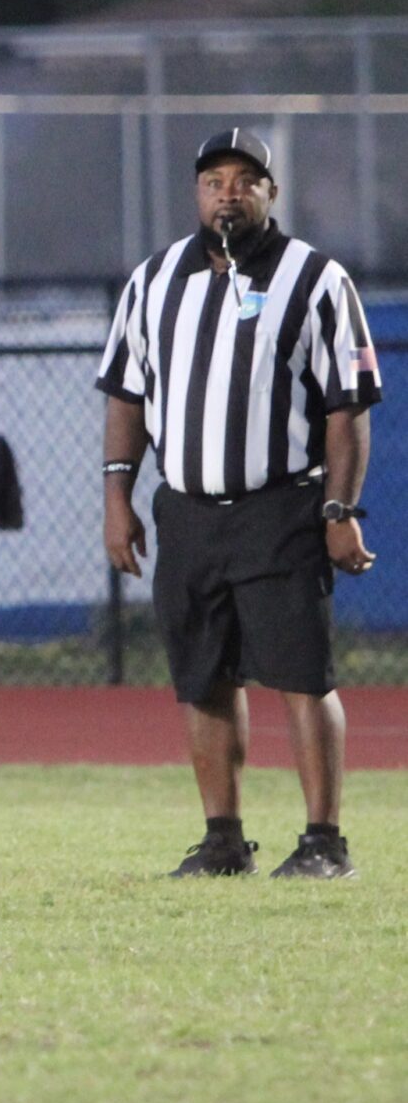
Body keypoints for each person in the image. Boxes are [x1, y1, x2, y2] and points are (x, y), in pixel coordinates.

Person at [98, 127, 383, 879]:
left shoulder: (317, 279)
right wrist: (117, 495)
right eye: (214, 180)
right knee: (203, 678)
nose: (228, 193)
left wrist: (339, 511)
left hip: (279, 507)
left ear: (270, 192)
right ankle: (223, 839)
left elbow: (348, 408)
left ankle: (324, 841)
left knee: (302, 674)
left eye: (244, 180)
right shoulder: (153, 280)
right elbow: (126, 395)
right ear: (196, 192)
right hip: (187, 510)